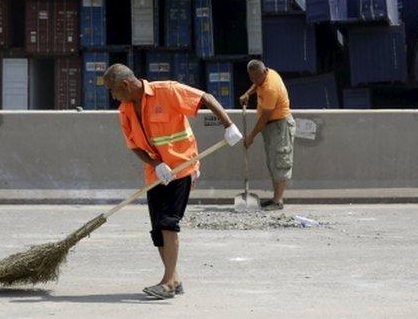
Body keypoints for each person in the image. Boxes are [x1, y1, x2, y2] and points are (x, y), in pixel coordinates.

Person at [103, 63, 242, 300]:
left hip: (182, 168)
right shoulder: (125, 110)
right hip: (156, 175)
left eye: (113, 91)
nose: (113, 96)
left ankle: (167, 283)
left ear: (125, 85)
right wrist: (156, 164)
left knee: (168, 223)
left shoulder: (166, 91)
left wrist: (228, 125)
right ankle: (174, 279)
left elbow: (205, 98)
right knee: (158, 229)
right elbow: (134, 146)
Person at [238, 59, 295, 211]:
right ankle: (275, 198)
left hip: (279, 126)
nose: (255, 81)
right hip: (270, 126)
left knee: (280, 161)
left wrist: (251, 136)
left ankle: (278, 201)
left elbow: (265, 117)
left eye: (257, 77)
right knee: (273, 162)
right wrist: (247, 93)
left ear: (264, 72)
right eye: (252, 78)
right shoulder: (265, 76)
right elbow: (257, 84)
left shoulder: (271, 88)